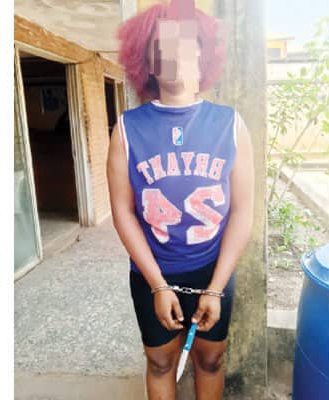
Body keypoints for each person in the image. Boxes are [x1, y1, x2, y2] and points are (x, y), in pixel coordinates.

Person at [106, 1, 254, 399]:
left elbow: (242, 211)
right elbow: (122, 212)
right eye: (161, 45)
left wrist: (215, 288)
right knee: (159, 363)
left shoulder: (230, 124)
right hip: (151, 272)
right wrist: (157, 285)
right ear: (147, 59)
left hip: (213, 269)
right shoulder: (127, 129)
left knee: (212, 360)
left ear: (202, 52)